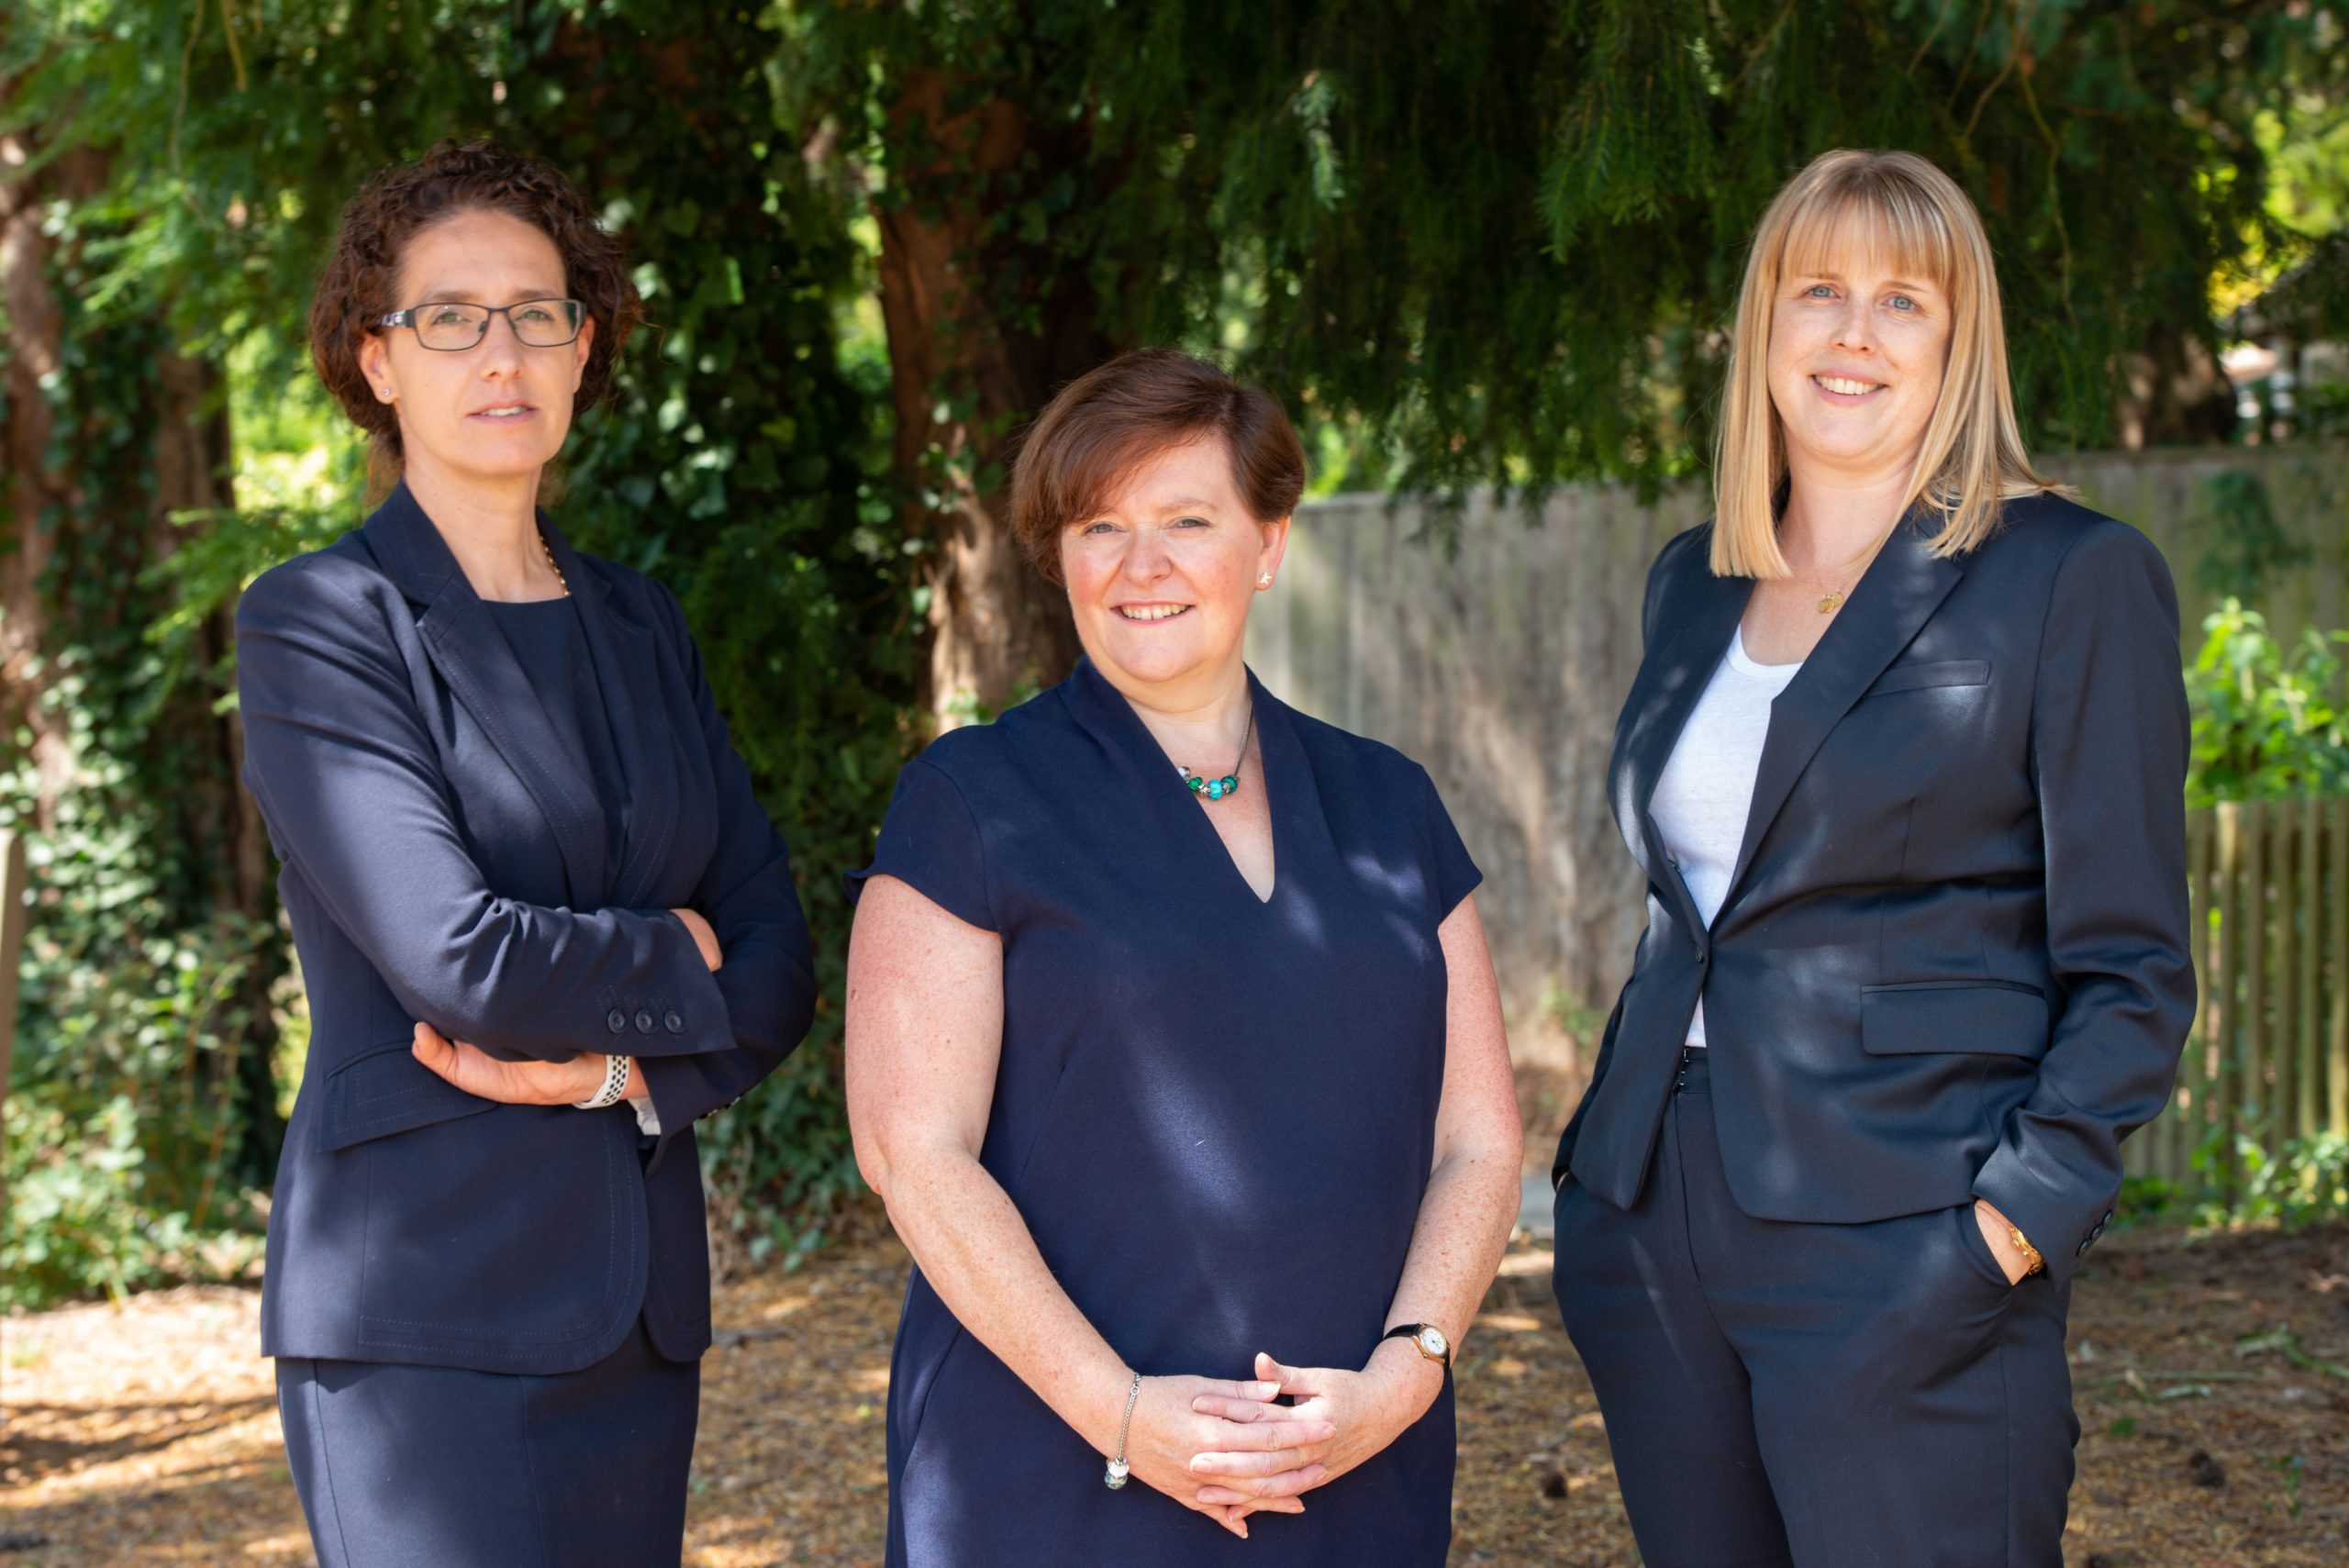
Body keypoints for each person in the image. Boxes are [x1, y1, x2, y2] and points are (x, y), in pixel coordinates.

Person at [1550, 147, 2195, 1567]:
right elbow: (1693, 912)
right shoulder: (1689, 582)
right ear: (1762, 324)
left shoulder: (2068, 579)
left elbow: (2134, 964)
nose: (1853, 332)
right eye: (1818, 289)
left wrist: (2008, 1229)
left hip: (1913, 1231)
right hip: (1655, 1222)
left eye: (1905, 301)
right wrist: (1601, 1201)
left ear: (1961, 346)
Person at [236, 140, 816, 1568]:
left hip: (635, 1318)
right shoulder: (323, 620)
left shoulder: (643, 621)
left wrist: (625, 1066)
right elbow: (458, 955)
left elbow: (782, 958)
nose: (502, 353)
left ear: (584, 344)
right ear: (377, 359)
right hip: (421, 1314)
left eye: (539, 312)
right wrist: (678, 959)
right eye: (449, 317)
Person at [843, 348, 1521, 1565]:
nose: (1141, 565)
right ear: (1057, 556)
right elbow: (912, 1151)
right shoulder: (971, 801)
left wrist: (1403, 1376)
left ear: (1267, 542)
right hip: (1055, 1472)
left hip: (1351, 1469)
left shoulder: (1390, 805)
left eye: (1187, 520)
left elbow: (1480, 1140)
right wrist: (1118, 1410)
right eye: (1100, 526)